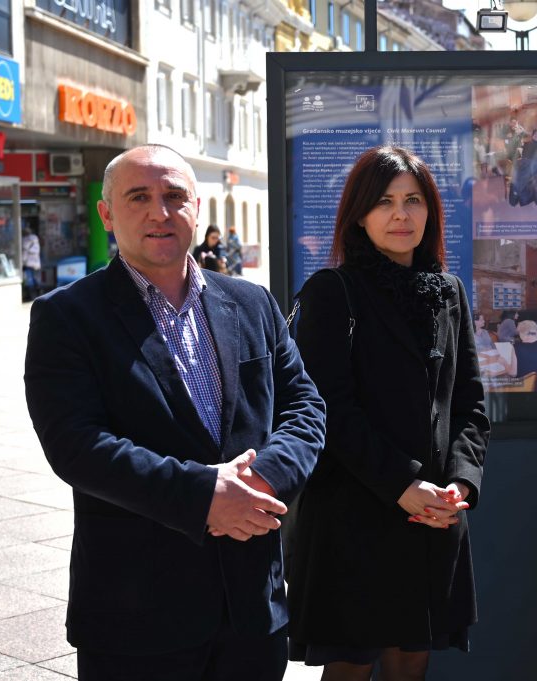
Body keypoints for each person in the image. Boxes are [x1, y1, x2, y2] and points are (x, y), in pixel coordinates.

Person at [23, 144, 326, 680]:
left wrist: (260, 481)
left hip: (252, 608)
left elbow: (304, 407)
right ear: (107, 214)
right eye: (139, 197)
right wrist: (205, 495)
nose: (159, 212)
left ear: (197, 207)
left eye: (174, 196)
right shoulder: (67, 316)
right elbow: (77, 445)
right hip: (138, 615)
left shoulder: (253, 302)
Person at [288, 145, 490, 681]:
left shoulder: (448, 292)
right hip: (357, 512)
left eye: (413, 200)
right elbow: (328, 409)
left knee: (411, 663)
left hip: (433, 514)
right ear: (358, 214)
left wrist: (461, 485)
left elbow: (470, 400)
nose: (401, 215)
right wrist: (403, 484)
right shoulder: (332, 291)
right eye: (384, 202)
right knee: (350, 667)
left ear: (431, 211)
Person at [509, 320, 537, 391]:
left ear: (522, 333)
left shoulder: (516, 347)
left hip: (524, 390)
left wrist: (503, 362)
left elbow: (513, 373)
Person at [21, 226, 41, 301]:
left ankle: (33, 297)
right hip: (36, 264)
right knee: (36, 279)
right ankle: (38, 294)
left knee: (30, 280)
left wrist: (22, 262)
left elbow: (24, 254)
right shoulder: (35, 240)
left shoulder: (25, 241)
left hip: (28, 264)